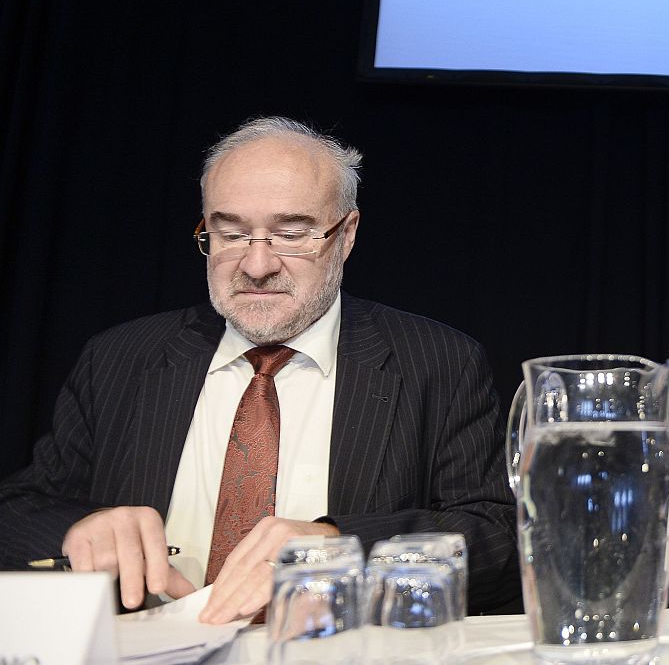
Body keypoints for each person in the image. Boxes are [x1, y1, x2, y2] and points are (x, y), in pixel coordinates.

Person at [0, 117, 518, 618]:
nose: (257, 265)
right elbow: (17, 511)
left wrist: (341, 547)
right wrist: (78, 531)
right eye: (231, 234)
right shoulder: (120, 357)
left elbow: (497, 537)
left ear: (346, 235)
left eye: (291, 234)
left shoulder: (437, 361)